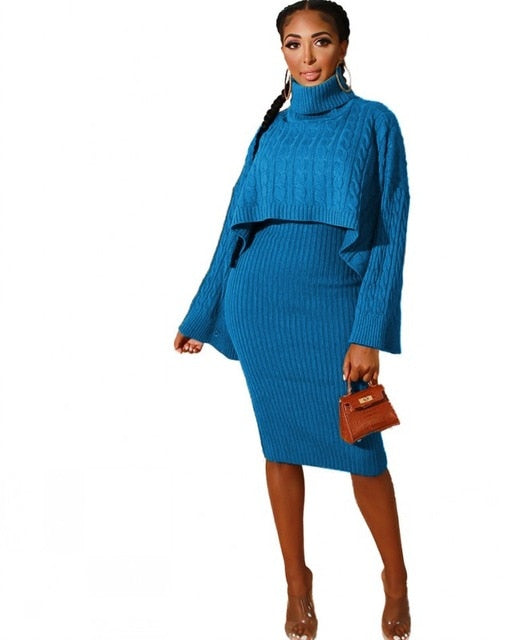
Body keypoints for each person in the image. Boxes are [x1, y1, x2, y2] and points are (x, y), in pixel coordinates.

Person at [174, 2, 410, 638]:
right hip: (261, 306)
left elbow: (390, 230)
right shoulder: (270, 132)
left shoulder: (374, 122)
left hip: (334, 303)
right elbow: (234, 225)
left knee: (362, 449)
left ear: (344, 47)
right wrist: (203, 310)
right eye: (293, 43)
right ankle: (297, 585)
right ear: (280, 51)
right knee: (278, 446)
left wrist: (368, 331)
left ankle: (395, 579)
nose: (307, 57)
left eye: (320, 42)